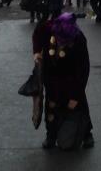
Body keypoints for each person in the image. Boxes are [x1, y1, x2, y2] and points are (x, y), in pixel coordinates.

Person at [32, 12, 94, 150]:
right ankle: (51, 136)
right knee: (51, 106)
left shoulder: (79, 39)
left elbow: (83, 71)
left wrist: (76, 96)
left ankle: (87, 134)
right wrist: (36, 52)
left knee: (79, 106)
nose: (62, 44)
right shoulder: (49, 28)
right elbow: (37, 33)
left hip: (72, 78)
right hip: (52, 76)